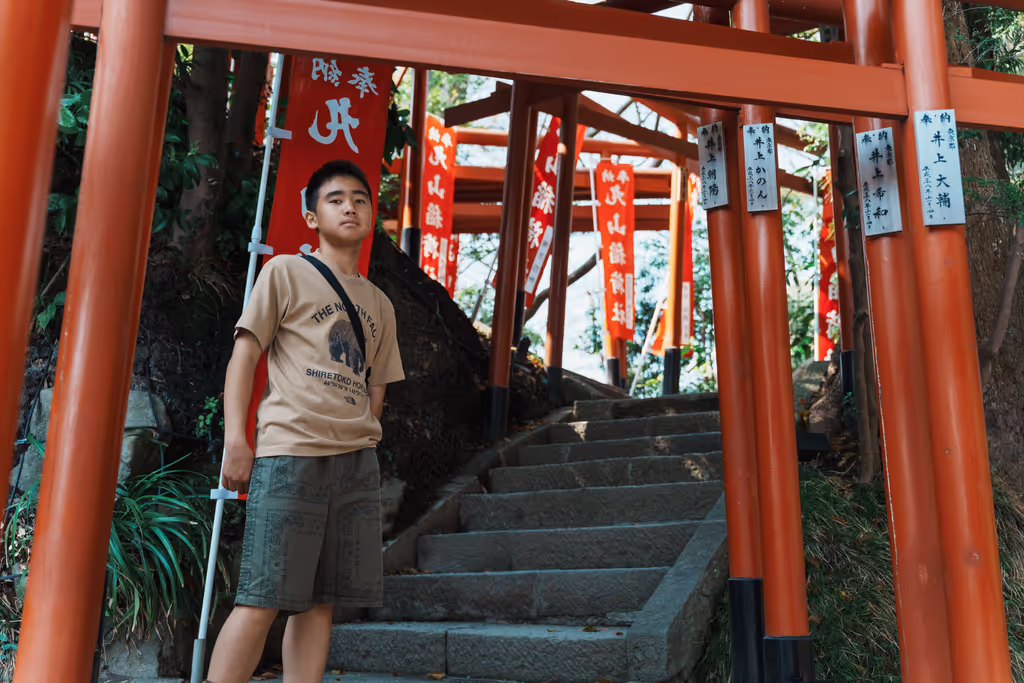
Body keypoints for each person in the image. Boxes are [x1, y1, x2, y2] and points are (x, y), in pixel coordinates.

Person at [204, 160, 404, 683]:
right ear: (312, 217)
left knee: (320, 603)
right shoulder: (285, 272)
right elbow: (245, 355)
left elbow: (376, 385)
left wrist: (359, 434)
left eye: (360, 199)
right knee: (262, 597)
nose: (350, 207)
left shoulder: (380, 304)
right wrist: (236, 439)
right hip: (291, 452)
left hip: (355, 463)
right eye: (335, 199)